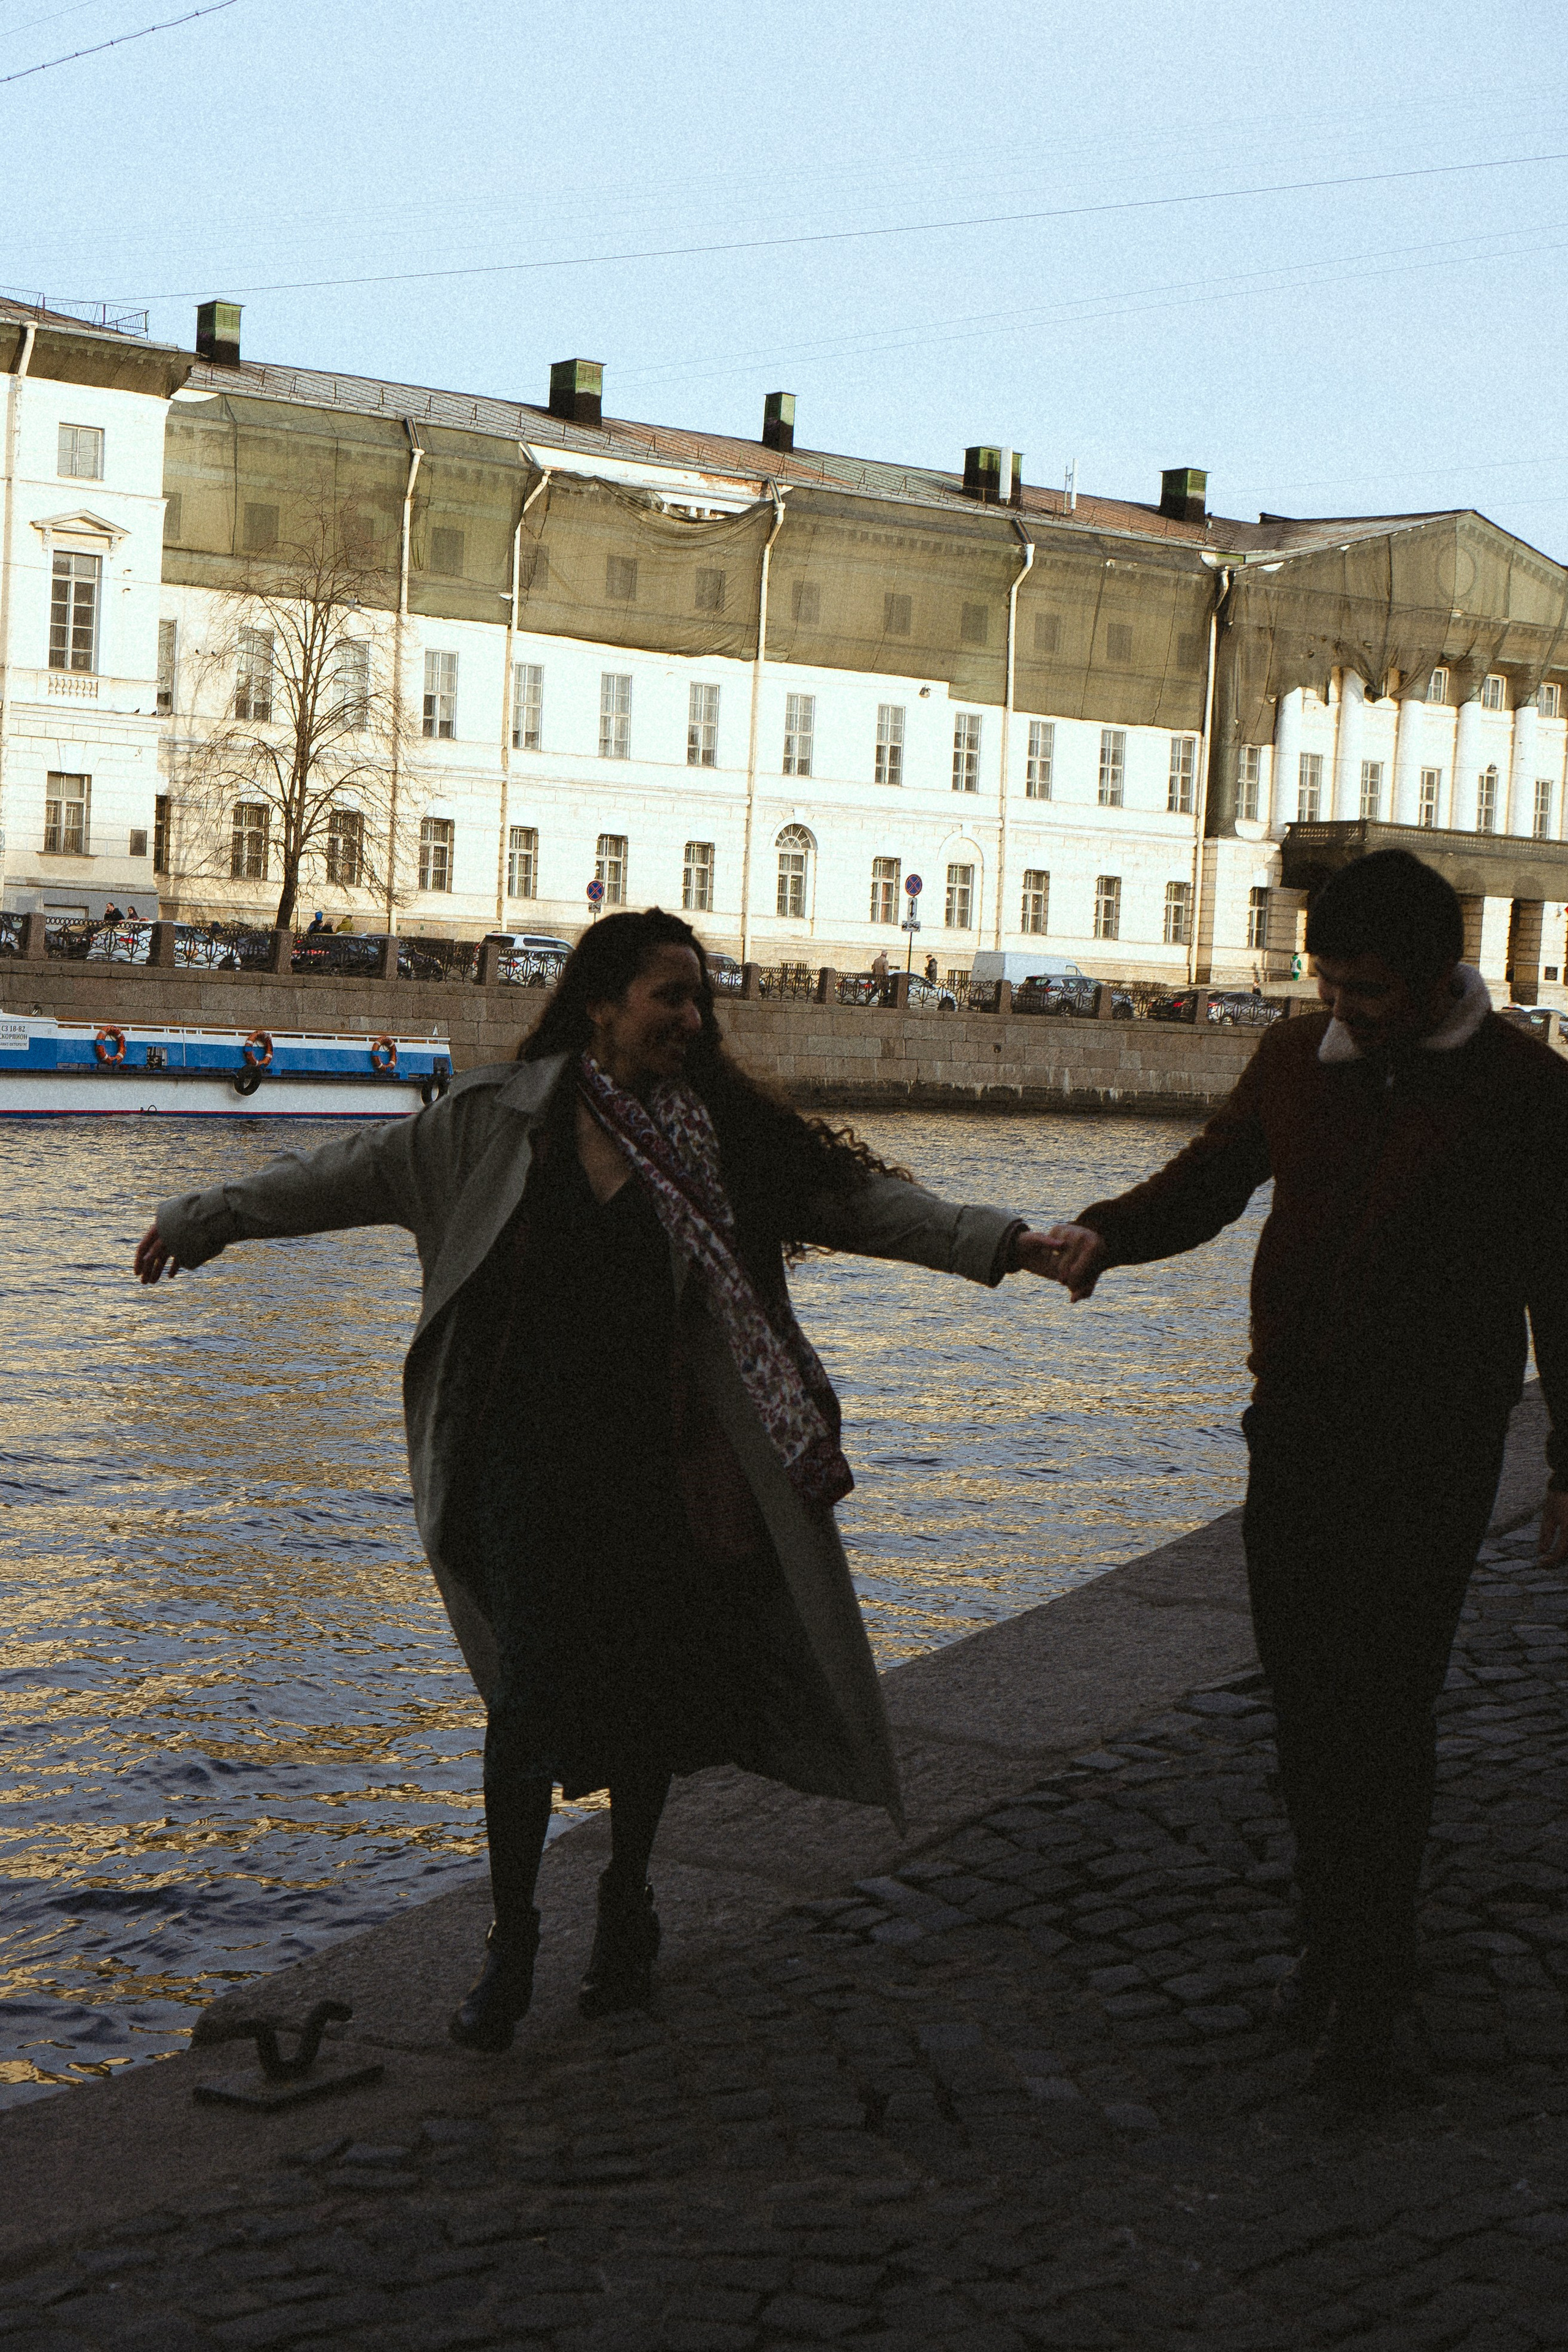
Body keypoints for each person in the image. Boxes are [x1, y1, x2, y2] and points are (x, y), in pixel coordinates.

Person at [134, 908, 1063, 2054]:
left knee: (645, 1703)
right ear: (600, 1005)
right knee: (524, 1708)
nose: (692, 1017)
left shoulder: (724, 1134)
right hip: (524, 1467)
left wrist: (1006, 1242)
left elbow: (866, 1207)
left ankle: (627, 1905)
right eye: (670, 994)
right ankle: (512, 1945)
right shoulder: (493, 1127)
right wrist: (205, 1216)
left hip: (661, 1466)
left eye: (699, 998)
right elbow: (341, 1176)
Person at [1042, 851, 1568, 2106]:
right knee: (1302, 1709)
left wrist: (1565, 1465)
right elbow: (1212, 1182)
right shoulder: (1292, 1059)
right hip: (1296, 1434)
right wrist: (1104, 1235)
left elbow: (1563, 1285)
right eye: (1325, 979)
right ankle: (1326, 1932)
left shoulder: (1523, 1091)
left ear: (1440, 970)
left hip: (1431, 1449)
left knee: (1382, 1714)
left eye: (1368, 987)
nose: (1341, 1004)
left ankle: (1367, 1983)